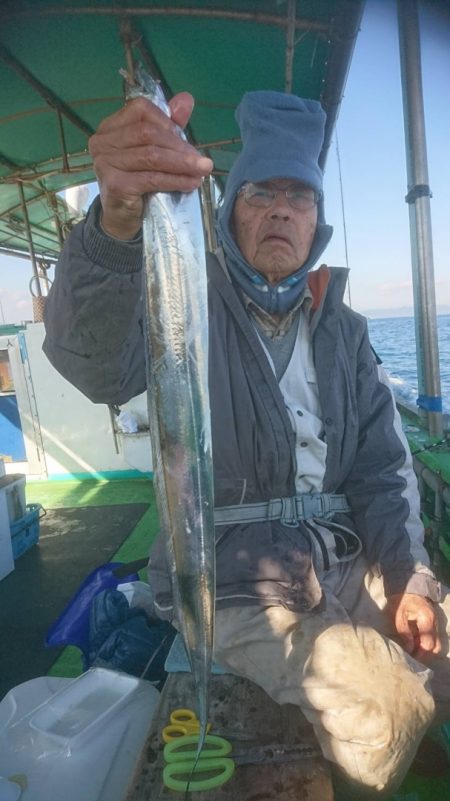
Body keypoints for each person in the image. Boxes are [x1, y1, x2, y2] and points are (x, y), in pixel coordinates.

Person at [43, 88, 450, 798]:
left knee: (440, 646)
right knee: (383, 708)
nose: (281, 209)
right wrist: (114, 228)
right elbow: (95, 361)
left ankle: (403, 730)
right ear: (231, 209)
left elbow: (384, 473)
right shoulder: (184, 296)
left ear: (318, 221)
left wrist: (410, 577)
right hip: (228, 579)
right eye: (261, 191)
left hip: (345, 557)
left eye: (301, 196)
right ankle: (374, 759)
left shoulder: (348, 332)